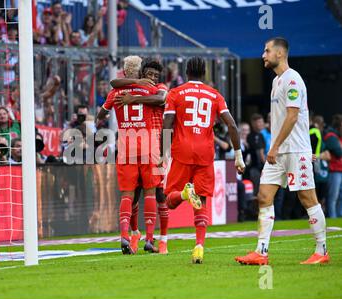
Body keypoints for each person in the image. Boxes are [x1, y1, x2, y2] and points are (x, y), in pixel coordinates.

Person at [235, 37, 329, 265]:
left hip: (294, 150)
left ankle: (322, 251)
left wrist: (274, 146)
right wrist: (275, 148)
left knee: (308, 199)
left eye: (267, 51)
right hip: (278, 152)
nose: (263, 55)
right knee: (264, 197)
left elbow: (293, 116)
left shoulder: (293, 79)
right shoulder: (277, 82)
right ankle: (261, 252)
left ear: (279, 53)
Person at [161, 56, 245, 264]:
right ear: (204, 73)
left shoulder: (175, 93)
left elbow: (167, 123)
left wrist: (163, 152)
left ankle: (183, 193)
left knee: (169, 200)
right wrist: (238, 155)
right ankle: (199, 246)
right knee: (202, 199)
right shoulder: (215, 95)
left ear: (187, 72)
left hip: (182, 151)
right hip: (205, 153)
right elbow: (232, 126)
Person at [96, 55, 164, 254]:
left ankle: (125, 236)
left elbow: (101, 115)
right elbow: (161, 99)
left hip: (126, 147)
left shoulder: (116, 91)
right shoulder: (150, 89)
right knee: (151, 191)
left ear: (125, 71)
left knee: (127, 194)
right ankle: (150, 239)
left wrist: (109, 111)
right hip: (149, 145)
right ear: (141, 71)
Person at [323, 114, 342, 218]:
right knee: (332, 197)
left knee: (340, 197)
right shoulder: (331, 136)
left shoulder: (338, 137)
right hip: (334, 170)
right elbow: (339, 152)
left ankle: (339, 217)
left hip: (340, 170)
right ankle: (332, 218)